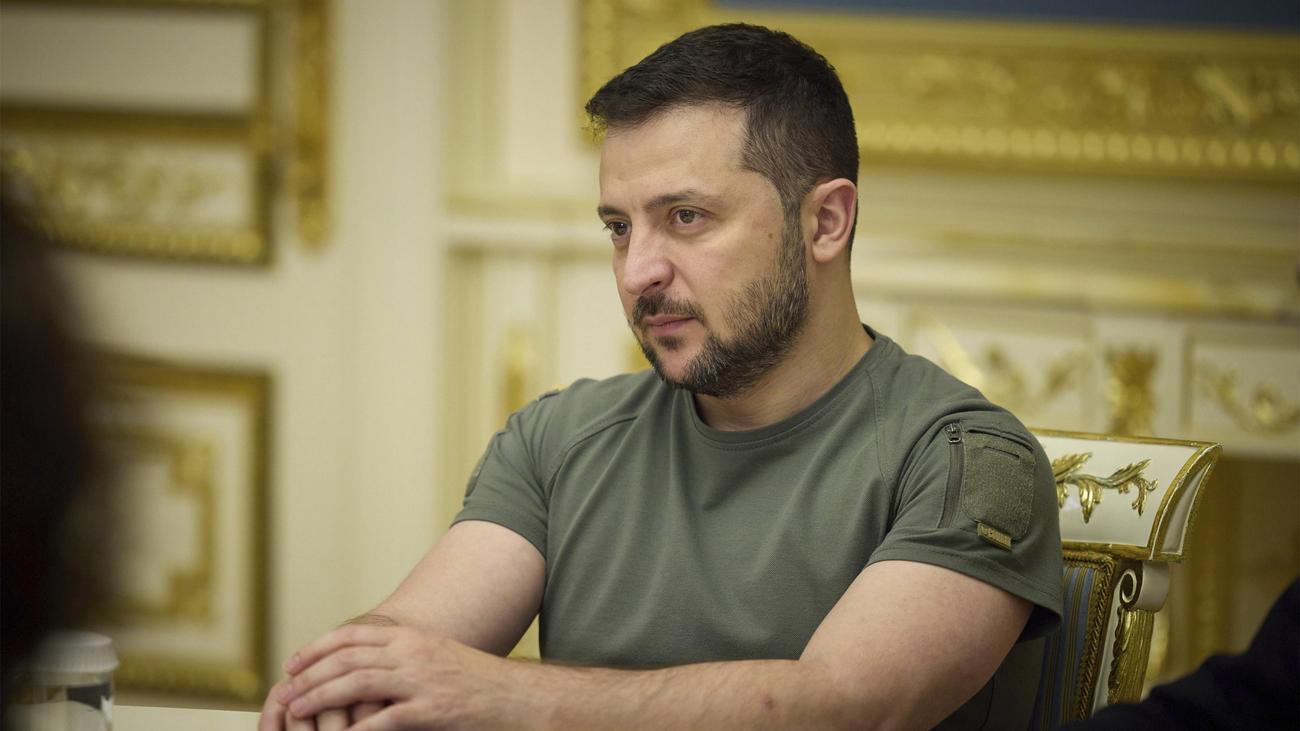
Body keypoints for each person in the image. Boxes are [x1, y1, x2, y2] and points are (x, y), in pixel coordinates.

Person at [260, 23, 1063, 730]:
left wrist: (502, 695)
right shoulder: (558, 438)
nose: (637, 270)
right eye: (619, 226)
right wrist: (345, 683)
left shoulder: (968, 460)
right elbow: (411, 640)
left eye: (686, 217)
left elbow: (845, 707)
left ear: (826, 221)